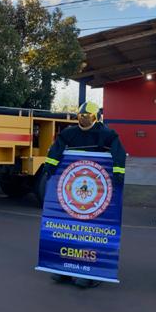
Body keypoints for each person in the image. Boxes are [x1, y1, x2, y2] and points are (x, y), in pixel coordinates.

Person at [43, 101, 126, 288]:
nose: (83, 119)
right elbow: (56, 149)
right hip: (69, 190)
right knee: (68, 228)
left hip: (98, 192)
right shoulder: (68, 133)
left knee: (92, 231)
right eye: (81, 116)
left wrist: (118, 173)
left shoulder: (108, 135)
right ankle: (63, 269)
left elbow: (118, 154)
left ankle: (92, 273)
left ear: (95, 117)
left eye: (87, 117)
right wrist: (50, 166)